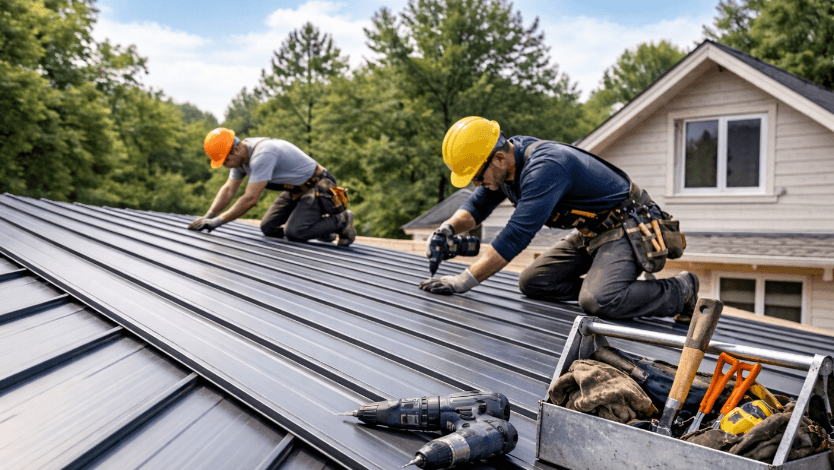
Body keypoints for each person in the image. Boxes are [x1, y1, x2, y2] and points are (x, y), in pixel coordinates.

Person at [418, 116, 698, 322]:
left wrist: (462, 282)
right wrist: (448, 228)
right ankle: (613, 286)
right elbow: (476, 207)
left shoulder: (545, 168)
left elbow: (515, 236)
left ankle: (681, 290)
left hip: (626, 225)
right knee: (533, 282)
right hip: (592, 231)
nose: (478, 184)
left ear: (500, 159)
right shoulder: (506, 166)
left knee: (599, 300)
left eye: (478, 176)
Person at [189, 127, 356, 246]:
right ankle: (322, 230)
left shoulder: (262, 155)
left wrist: (216, 222)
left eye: (225, 161)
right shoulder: (240, 159)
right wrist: (208, 216)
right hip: (296, 190)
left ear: (236, 149)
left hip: (318, 186)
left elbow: (250, 199)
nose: (226, 166)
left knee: (295, 232)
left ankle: (342, 220)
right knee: (268, 227)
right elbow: (229, 189)